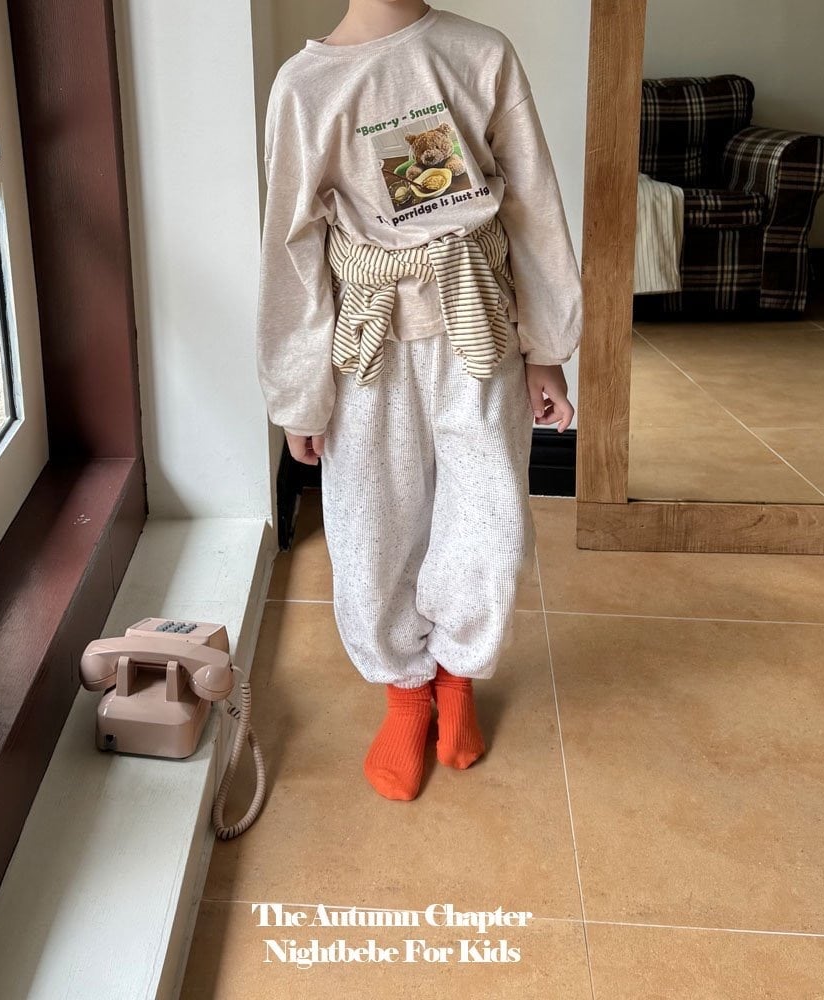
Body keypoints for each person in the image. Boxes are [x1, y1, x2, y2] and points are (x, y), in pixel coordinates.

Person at [255, 0, 583, 801]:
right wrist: (302, 394)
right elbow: (291, 247)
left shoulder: (482, 54)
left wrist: (546, 348)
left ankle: (458, 678)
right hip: (369, 345)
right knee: (373, 518)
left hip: (480, 325)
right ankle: (406, 693)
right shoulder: (305, 86)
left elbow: (533, 204)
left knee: (490, 515)